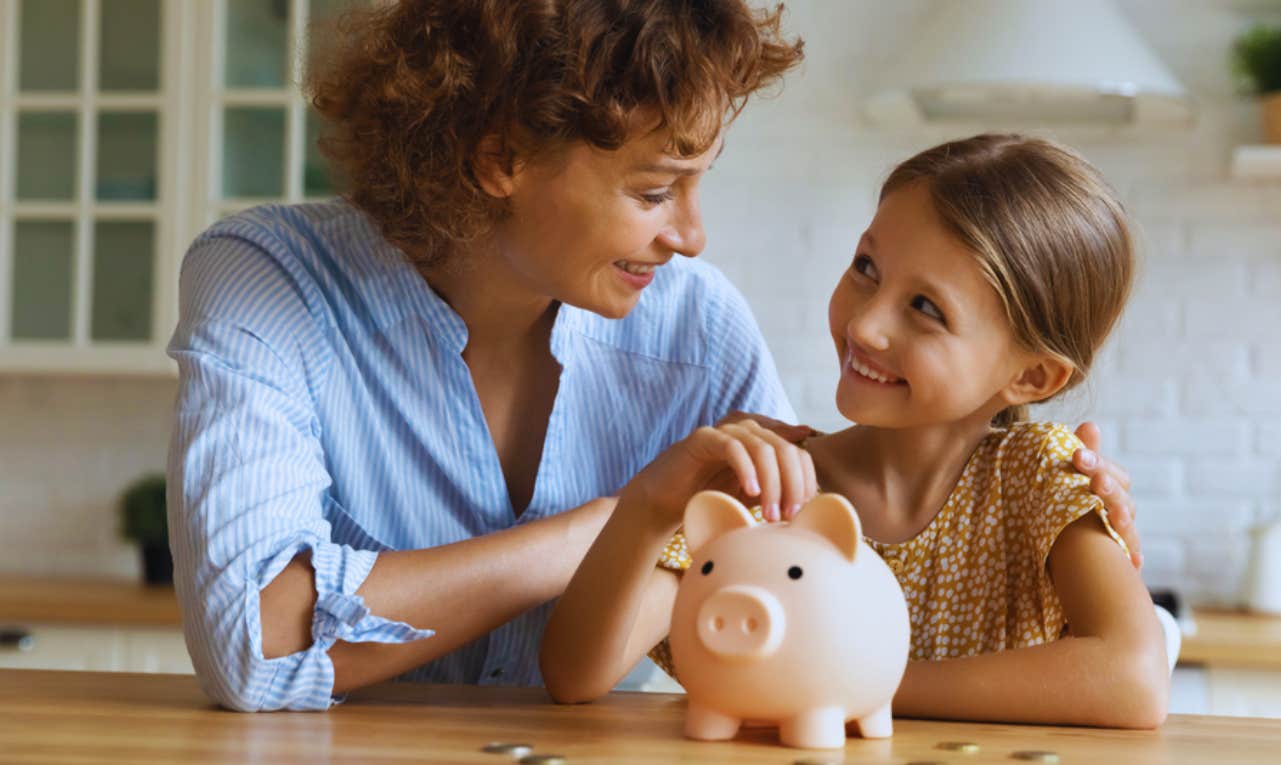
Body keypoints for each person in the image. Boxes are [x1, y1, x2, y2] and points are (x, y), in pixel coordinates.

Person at [166, 1, 1138, 713]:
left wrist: (1026, 499)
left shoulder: (697, 328)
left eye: (700, 182)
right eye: (654, 189)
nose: (692, 235)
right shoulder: (267, 283)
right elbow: (255, 645)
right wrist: (596, 529)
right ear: (503, 156)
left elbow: (761, 603)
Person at [542, 134, 1169, 729]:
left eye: (926, 309)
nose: (866, 324)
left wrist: (852, 684)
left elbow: (1135, 679)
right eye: (867, 267)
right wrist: (650, 503)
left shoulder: (1037, 478)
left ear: (1032, 376)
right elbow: (576, 677)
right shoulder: (772, 487)